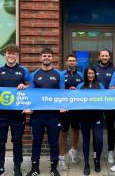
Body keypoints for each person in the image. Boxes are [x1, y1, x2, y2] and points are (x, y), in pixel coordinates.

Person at [25, 48, 63, 176]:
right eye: (44, 56)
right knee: (37, 141)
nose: (46, 58)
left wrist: (63, 105)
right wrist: (28, 106)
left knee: (53, 142)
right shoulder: (34, 74)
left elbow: (63, 93)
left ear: (52, 58)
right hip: (38, 115)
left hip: (54, 115)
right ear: (41, 58)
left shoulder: (59, 74)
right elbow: (30, 94)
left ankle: (54, 168)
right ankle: (35, 168)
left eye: (49, 56)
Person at [0, 44, 30, 176]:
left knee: (17, 141)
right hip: (2, 114)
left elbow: (31, 87)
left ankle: (17, 166)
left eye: (14, 54)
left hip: (18, 113)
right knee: (1, 141)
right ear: (5, 55)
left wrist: (25, 85)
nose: (11, 56)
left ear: (17, 55)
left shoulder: (23, 71)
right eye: (9, 53)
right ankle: (1, 167)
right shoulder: (0, 70)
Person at [77, 67, 104, 176]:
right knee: (86, 140)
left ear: (95, 74)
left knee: (99, 139)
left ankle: (97, 160)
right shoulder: (80, 86)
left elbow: (105, 98)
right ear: (86, 74)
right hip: (84, 117)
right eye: (89, 73)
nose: (91, 75)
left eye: (92, 73)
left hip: (97, 116)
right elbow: (75, 99)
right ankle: (87, 163)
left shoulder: (100, 85)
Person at [58, 54, 83, 170]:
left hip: (77, 109)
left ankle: (73, 151)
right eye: (70, 61)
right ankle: (61, 158)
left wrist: (77, 90)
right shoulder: (61, 75)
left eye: (74, 61)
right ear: (66, 62)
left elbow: (84, 91)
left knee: (76, 131)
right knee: (63, 133)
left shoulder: (81, 75)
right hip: (64, 109)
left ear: (76, 63)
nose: (72, 63)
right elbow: (57, 90)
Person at [93, 49, 115, 164]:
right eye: (102, 55)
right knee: (96, 128)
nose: (104, 57)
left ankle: (111, 151)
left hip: (110, 103)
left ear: (109, 57)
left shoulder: (114, 70)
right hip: (96, 103)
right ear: (99, 57)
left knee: (111, 128)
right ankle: (95, 152)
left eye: (106, 55)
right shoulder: (93, 69)